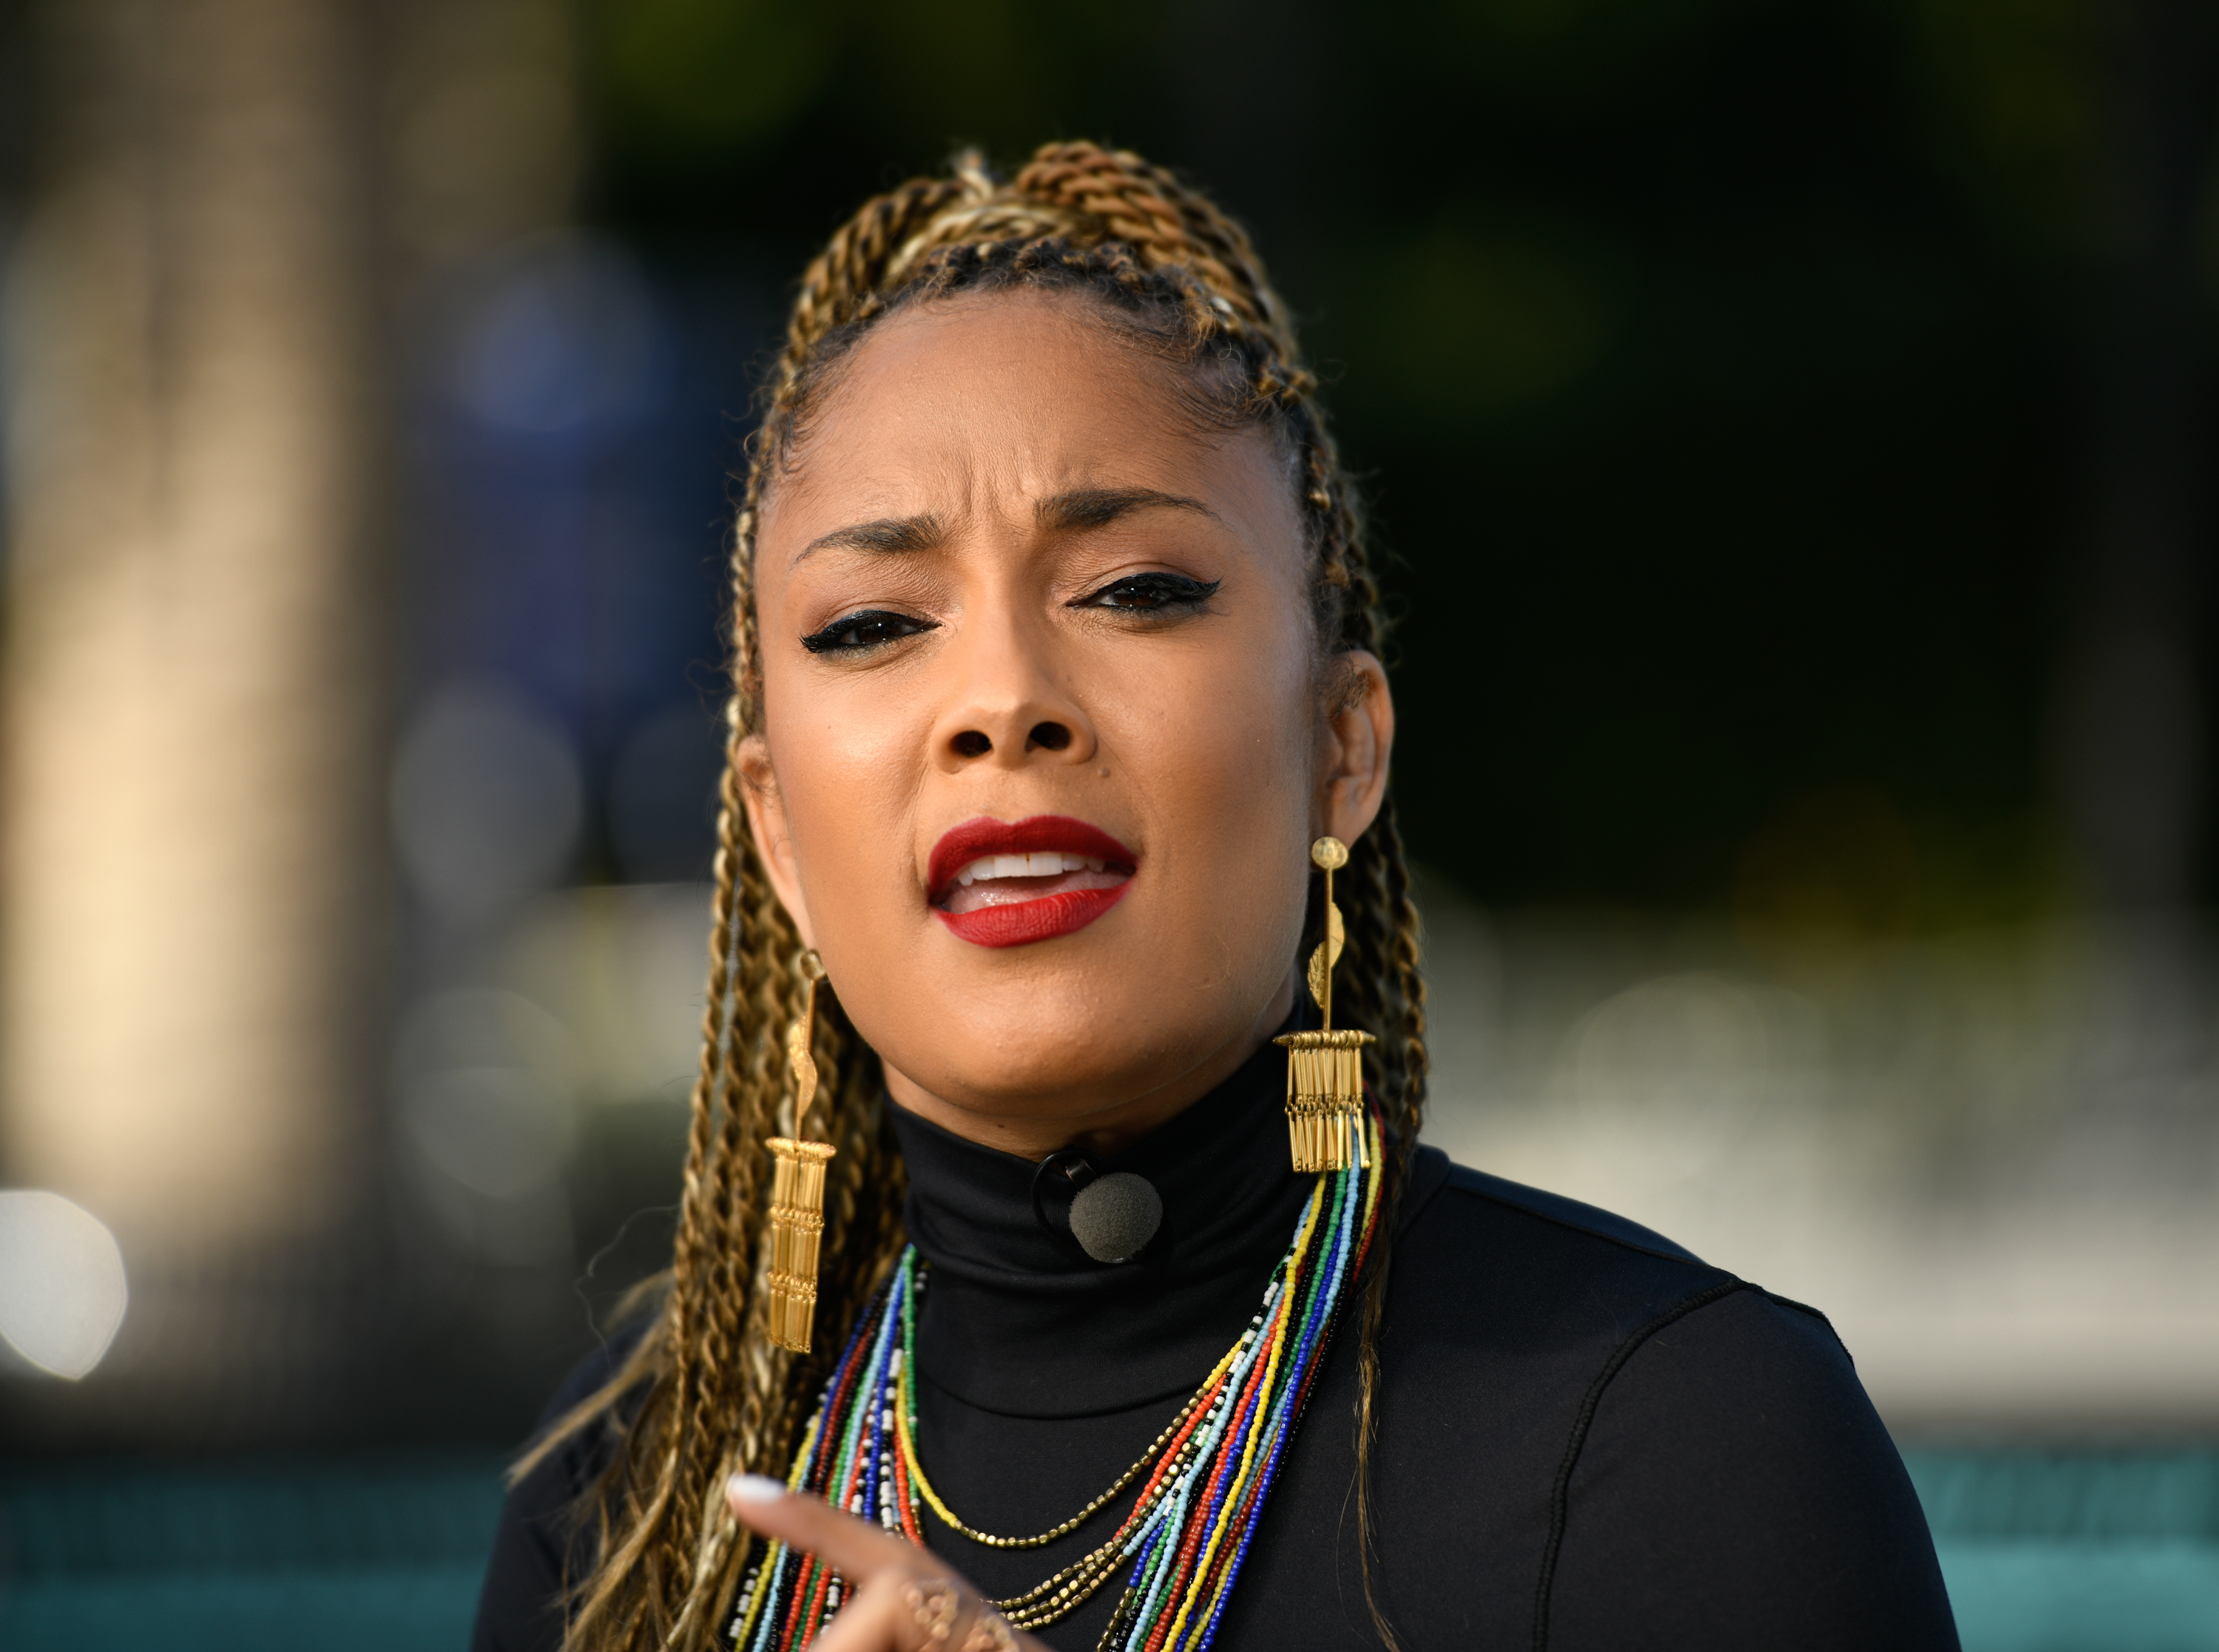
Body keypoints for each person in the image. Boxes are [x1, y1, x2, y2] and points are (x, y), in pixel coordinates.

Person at [471, 142, 1959, 1652]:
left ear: (1341, 746)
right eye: (873, 622)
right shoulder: (626, 1507)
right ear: (776, 829)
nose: (1000, 698)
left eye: (1133, 589)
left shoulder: (1685, 1441)